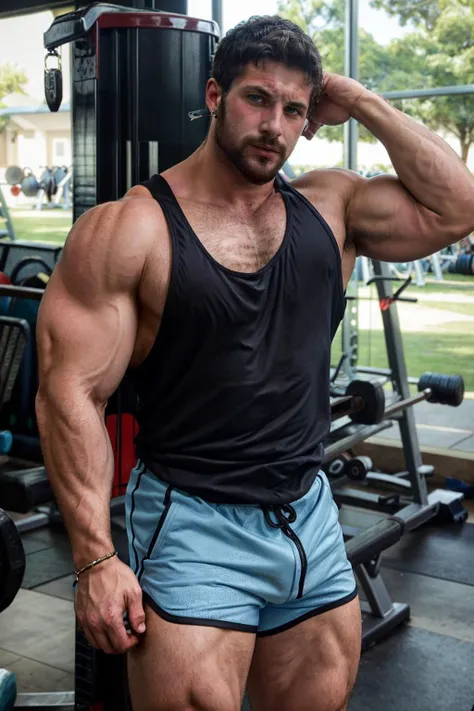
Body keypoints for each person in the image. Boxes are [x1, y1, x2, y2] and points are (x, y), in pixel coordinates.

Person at [36, 15, 474, 711]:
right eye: (257, 99)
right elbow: (71, 393)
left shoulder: (331, 209)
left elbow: (458, 207)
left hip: (308, 510)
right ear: (214, 95)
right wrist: (94, 557)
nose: (275, 124)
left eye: (294, 109)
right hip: (192, 516)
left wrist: (359, 100)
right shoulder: (132, 229)